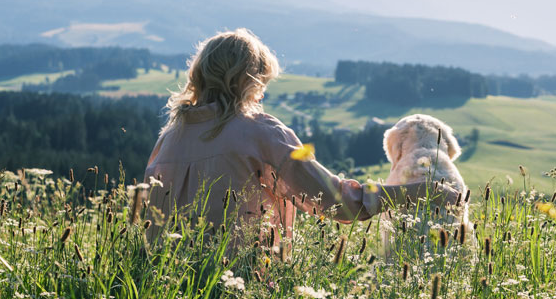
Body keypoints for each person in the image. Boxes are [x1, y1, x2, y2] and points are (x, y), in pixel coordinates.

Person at [142, 28, 461, 244]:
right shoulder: (261, 133)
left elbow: (147, 225)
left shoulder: (168, 139)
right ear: (247, 82)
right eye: (261, 85)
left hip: (170, 287)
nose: (261, 95)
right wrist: (418, 192)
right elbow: (339, 203)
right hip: (239, 285)